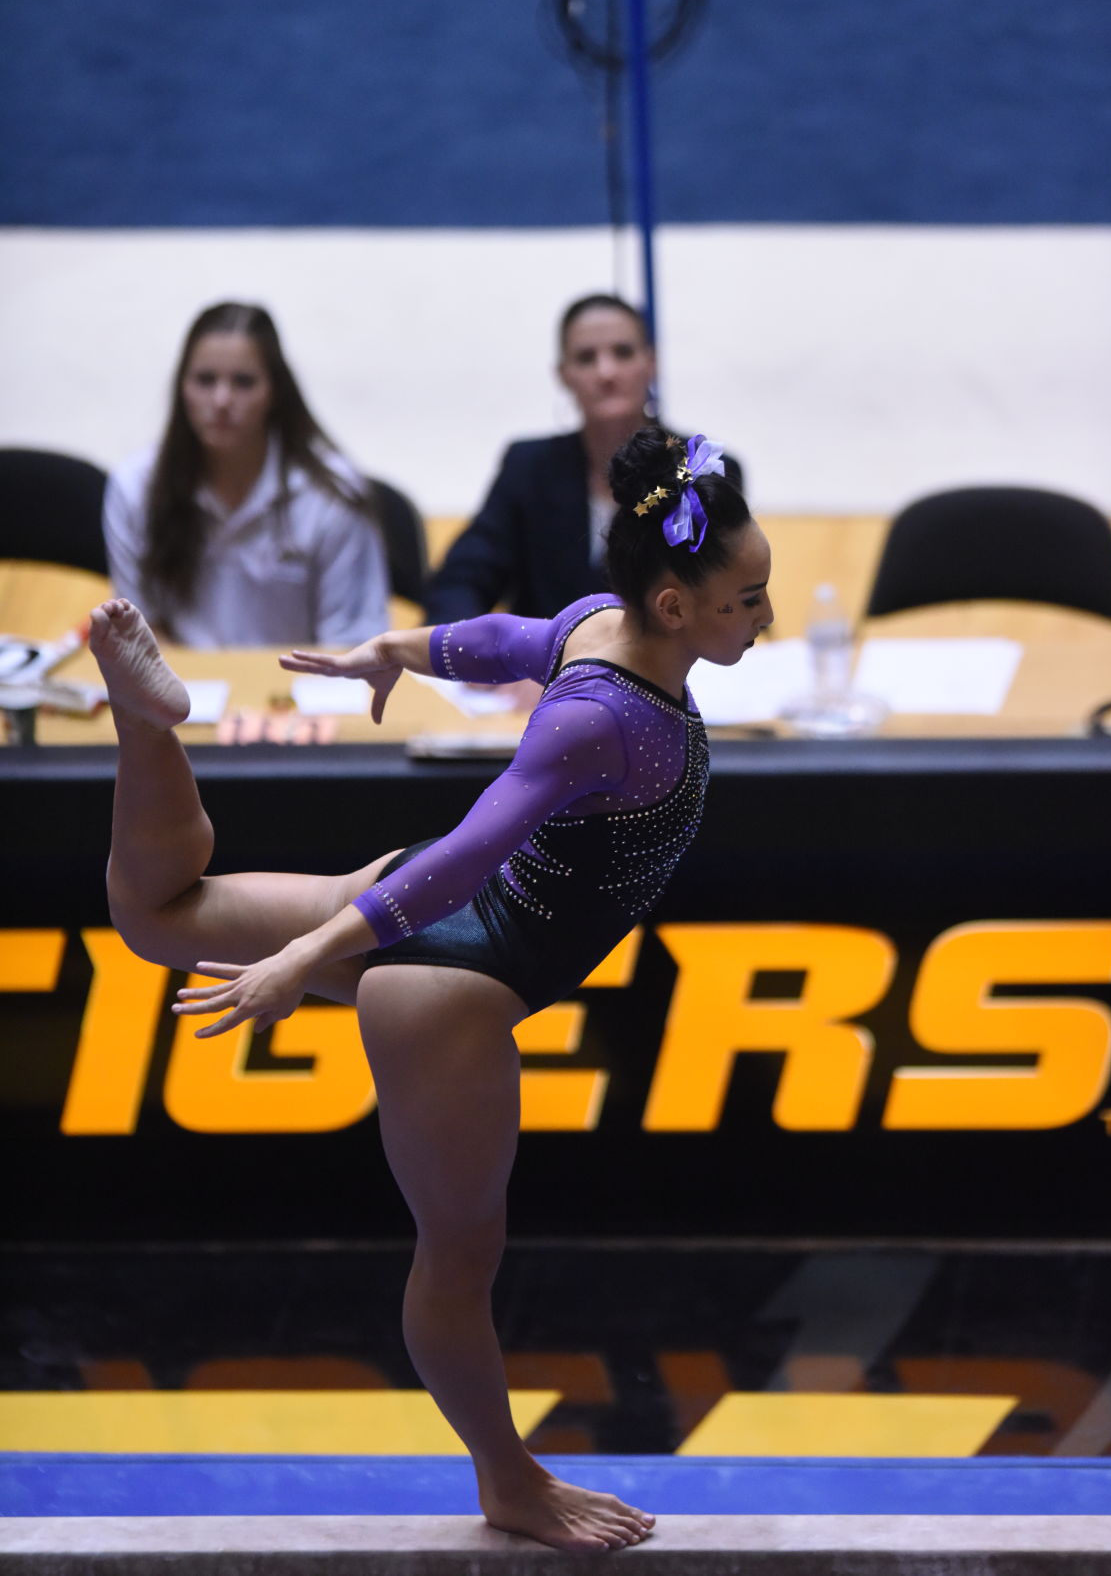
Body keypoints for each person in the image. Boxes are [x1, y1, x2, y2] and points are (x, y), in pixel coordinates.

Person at [88, 424, 772, 1552]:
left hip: (415, 904)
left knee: (151, 913)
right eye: (748, 599)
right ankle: (507, 1479)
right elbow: (471, 847)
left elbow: (513, 635)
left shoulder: (605, 630)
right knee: (457, 1266)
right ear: (676, 602)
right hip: (457, 977)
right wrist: (308, 961)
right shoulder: (606, 721)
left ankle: (146, 724)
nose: (764, 615)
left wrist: (399, 649)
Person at [425, 293, 745, 624]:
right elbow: (461, 581)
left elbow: (722, 596)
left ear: (651, 364)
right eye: (586, 358)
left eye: (623, 353)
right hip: (545, 670)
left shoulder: (701, 468)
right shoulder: (529, 467)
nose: (606, 372)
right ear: (563, 375)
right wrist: (480, 657)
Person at [103, 301, 390, 647]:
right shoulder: (136, 487)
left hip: (300, 691)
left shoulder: (330, 495)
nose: (222, 400)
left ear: (275, 392)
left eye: (243, 382)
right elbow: (141, 632)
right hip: (180, 692)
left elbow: (352, 646)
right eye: (205, 380)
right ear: (182, 388)